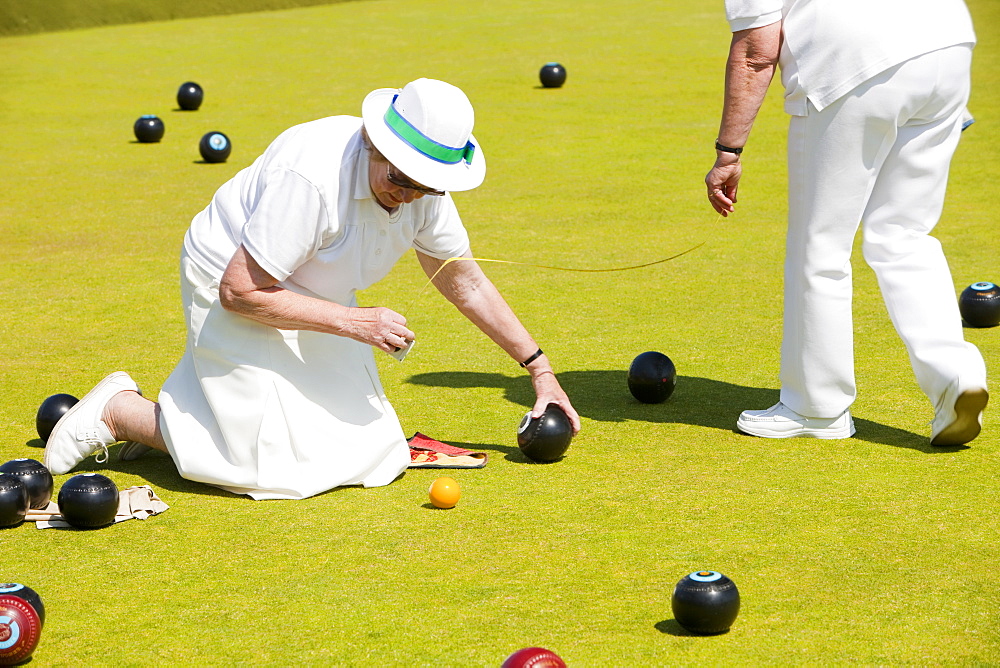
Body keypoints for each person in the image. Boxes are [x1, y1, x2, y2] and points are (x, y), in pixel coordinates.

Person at [44, 78, 580, 499]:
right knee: (263, 465)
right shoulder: (313, 179)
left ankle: (175, 422)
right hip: (235, 277)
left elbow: (464, 283)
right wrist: (355, 322)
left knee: (373, 452)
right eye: (399, 180)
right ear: (373, 142)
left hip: (312, 292)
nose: (410, 197)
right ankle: (118, 411)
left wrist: (541, 372)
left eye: (426, 185)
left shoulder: (421, 191)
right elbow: (241, 291)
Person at [705, 1, 988, 445]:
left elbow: (756, 52)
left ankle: (815, 407)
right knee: (903, 235)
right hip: (948, 45)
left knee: (820, 246)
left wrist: (729, 151)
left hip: (853, 65)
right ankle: (957, 376)